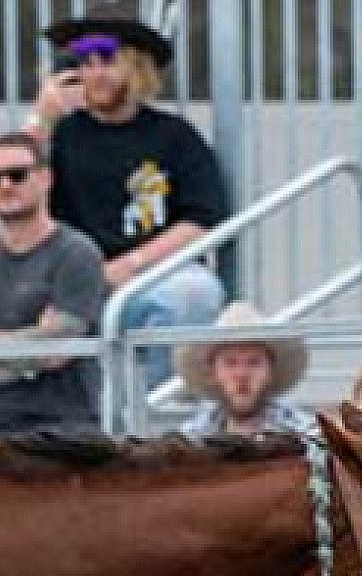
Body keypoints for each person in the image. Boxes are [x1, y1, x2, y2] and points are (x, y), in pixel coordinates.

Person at [34, 3, 227, 382]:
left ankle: (157, 422)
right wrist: (41, 119)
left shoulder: (174, 136)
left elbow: (201, 221)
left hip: (154, 276)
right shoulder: (63, 135)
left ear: (136, 67)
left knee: (196, 292)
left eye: (106, 60)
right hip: (76, 276)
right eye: (84, 62)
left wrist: (131, 265)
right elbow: (18, 201)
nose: (93, 73)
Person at [0, 132, 110, 436]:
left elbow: (56, 349)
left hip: (61, 434)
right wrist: (26, 358)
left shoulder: (77, 254)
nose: (5, 185)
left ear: (46, 179)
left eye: (17, 175)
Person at [173, 302, 317, 440]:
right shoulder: (191, 440)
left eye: (254, 362)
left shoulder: (307, 437)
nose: (242, 374)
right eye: (230, 363)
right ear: (212, 373)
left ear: (271, 372)